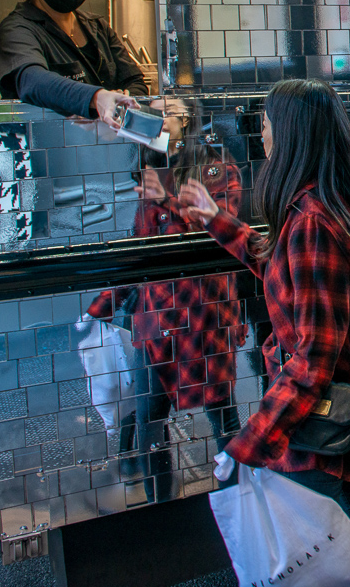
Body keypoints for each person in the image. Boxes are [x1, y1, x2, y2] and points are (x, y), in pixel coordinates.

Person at [174, 79, 350, 583]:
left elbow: (313, 362)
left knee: (326, 567)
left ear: (292, 133)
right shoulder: (336, 200)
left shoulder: (313, 221)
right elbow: (282, 267)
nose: (263, 135)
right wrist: (217, 219)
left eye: (268, 124)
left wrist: (251, 441)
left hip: (323, 427)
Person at [86, 97, 245, 499]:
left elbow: (218, 230)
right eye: (153, 111)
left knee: (221, 414)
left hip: (204, 318)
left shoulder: (215, 167)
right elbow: (140, 247)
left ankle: (240, 500)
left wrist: (164, 199)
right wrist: (101, 307)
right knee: (149, 419)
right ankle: (161, 504)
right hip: (155, 320)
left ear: (187, 120)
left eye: (167, 111)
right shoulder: (152, 168)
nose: (158, 118)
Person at [0, 0, 147, 127]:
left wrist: (124, 102)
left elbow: (135, 81)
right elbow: (32, 82)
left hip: (108, 141)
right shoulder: (17, 30)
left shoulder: (98, 26)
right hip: (49, 141)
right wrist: (96, 97)